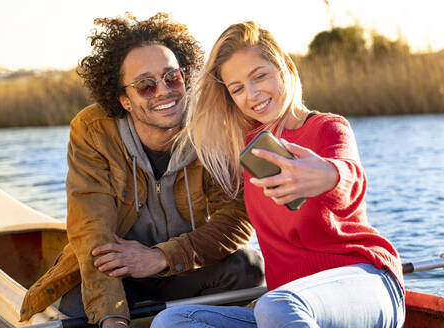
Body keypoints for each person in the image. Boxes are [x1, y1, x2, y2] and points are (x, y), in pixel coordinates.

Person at [152, 21, 405, 328]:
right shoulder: (245, 149)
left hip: (366, 284)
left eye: (260, 76)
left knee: (277, 305)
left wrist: (328, 175)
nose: (253, 94)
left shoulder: (327, 128)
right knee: (174, 320)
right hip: (290, 305)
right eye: (237, 88)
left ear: (284, 66)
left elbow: (349, 176)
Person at [19, 13, 264, 328]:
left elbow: (235, 219)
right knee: (82, 313)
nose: (163, 91)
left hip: (182, 267)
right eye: (146, 85)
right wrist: (112, 319)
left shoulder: (213, 125)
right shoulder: (93, 130)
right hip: (117, 273)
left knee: (247, 267)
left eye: (171, 77)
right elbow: (92, 232)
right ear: (124, 99)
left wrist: (161, 257)